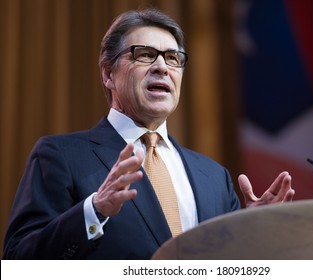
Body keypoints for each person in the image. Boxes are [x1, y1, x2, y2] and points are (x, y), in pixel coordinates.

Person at [3, 8, 295, 260]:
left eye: (172, 58)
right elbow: (19, 261)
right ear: (108, 74)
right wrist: (93, 211)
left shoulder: (214, 177)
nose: (162, 67)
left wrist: (253, 233)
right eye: (144, 55)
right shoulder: (61, 156)